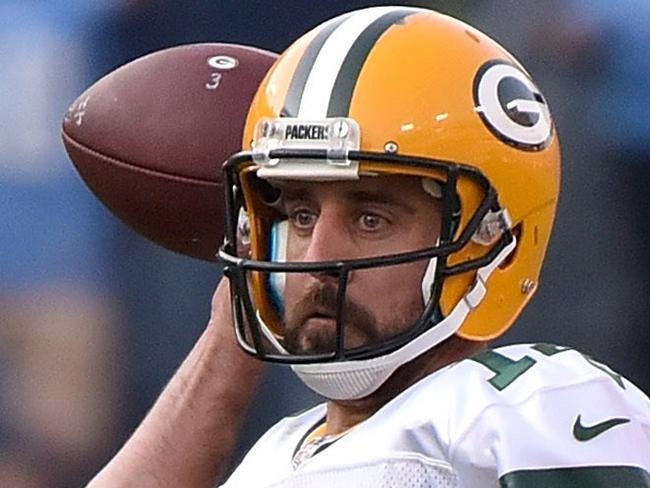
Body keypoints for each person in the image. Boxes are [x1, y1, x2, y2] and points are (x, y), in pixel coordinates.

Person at [87, 6, 650, 487]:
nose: (315, 259)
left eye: (371, 218)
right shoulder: (277, 452)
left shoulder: (525, 406)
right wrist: (236, 319)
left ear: (492, 240)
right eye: (301, 215)